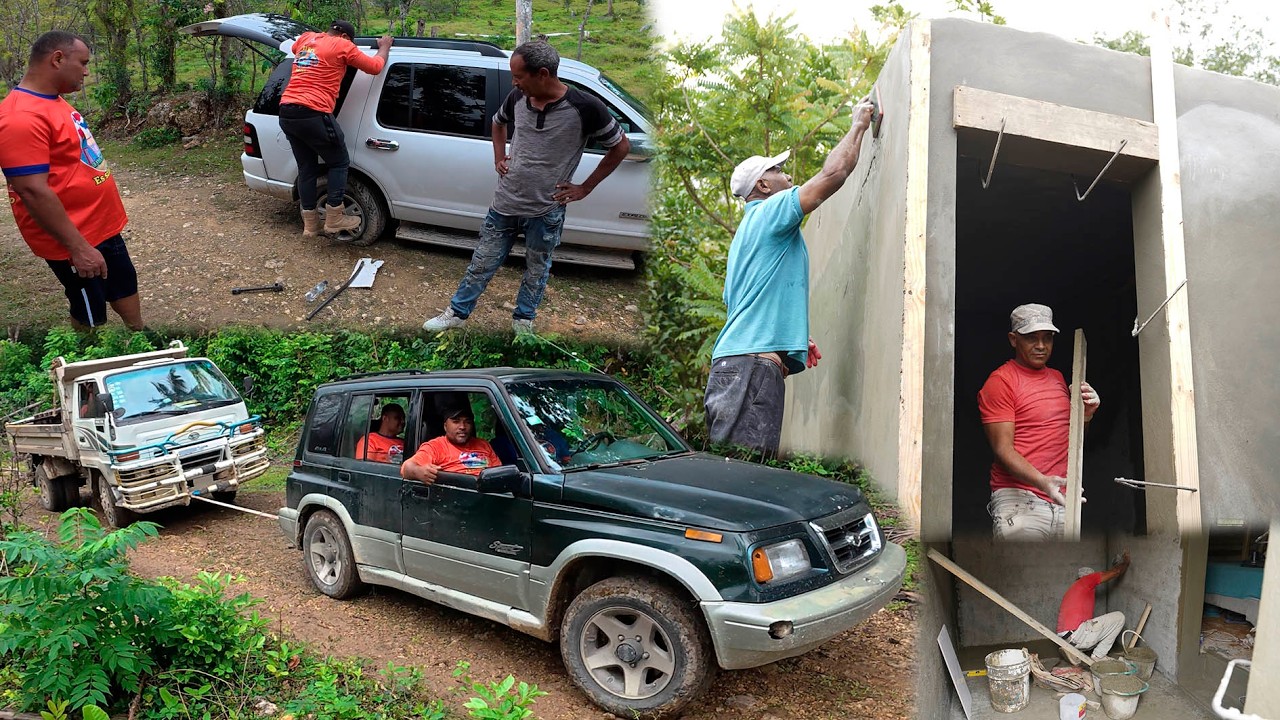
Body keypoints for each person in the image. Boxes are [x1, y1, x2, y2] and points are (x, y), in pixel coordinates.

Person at [703, 99, 876, 456]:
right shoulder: (771, 211)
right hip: (749, 371)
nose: (789, 177)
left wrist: (788, 335)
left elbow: (749, 306)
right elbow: (833, 175)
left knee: (739, 472)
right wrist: (858, 125)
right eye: (779, 171)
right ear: (763, 186)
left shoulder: (747, 237)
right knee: (744, 477)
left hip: (739, 367)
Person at [423, 39, 630, 336]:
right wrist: (499, 157)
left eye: (518, 76)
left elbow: (620, 146)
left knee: (537, 270)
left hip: (545, 211)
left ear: (542, 74)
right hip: (504, 204)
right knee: (481, 263)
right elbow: (498, 123)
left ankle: (523, 322)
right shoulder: (517, 97)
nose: (514, 82)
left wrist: (585, 188)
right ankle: (456, 313)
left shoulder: (585, 107)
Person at [0, 31, 142, 330]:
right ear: (58, 59)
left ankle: (139, 332)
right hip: (74, 237)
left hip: (100, 225)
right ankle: (88, 349)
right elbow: (32, 190)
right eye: (83, 63)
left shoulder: (52, 100)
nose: (86, 72)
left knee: (123, 282)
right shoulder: (20, 117)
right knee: (89, 309)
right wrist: (77, 248)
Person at [978, 303, 1101, 540]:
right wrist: (1044, 483)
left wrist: (1086, 415)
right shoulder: (1001, 382)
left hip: (1062, 500)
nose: (1041, 346)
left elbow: (1070, 440)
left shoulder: (1057, 378)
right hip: (1020, 501)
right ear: (1013, 340)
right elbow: (1003, 449)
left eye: (1048, 338)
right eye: (1031, 338)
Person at [279, 20, 391, 237]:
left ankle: (311, 225)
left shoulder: (307, 38)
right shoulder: (342, 45)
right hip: (313, 112)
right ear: (346, 37)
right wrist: (384, 47)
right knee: (339, 162)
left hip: (287, 111)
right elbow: (376, 67)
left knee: (307, 168)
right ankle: (334, 218)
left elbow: (294, 48)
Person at [1057, 551, 1130, 662]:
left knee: (1095, 626)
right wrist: (1125, 562)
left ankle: (1073, 650)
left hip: (1063, 638)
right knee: (1119, 617)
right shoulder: (1087, 580)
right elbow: (1116, 572)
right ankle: (1099, 656)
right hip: (1076, 634)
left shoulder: (1073, 589)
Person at [400, 405, 498, 484]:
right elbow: (406, 468)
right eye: (456, 421)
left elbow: (499, 473)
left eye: (467, 422)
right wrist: (419, 471)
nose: (462, 427)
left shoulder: (483, 445)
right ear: (445, 426)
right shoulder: (435, 447)